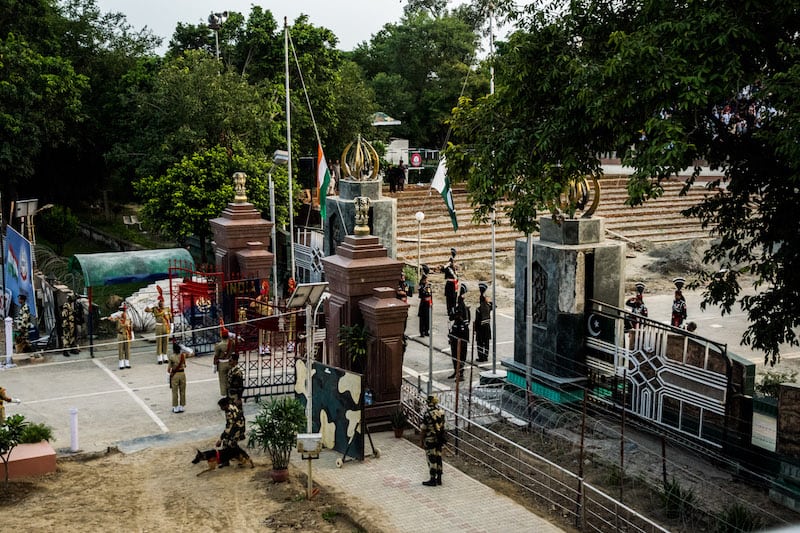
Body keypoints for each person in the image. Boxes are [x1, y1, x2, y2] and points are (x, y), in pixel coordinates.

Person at [420, 395, 446, 486]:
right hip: (439, 439)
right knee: (438, 457)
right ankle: (439, 478)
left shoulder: (427, 414)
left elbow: (423, 429)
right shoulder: (441, 412)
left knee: (432, 459)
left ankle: (432, 479)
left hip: (430, 439)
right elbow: (442, 427)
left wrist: (421, 440)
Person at [215, 396, 247, 466]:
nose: (221, 409)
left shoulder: (229, 412)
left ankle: (244, 457)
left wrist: (220, 439)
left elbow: (229, 427)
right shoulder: (232, 406)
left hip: (236, 429)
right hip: (240, 427)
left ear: (225, 405)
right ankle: (227, 460)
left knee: (232, 445)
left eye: (221, 407)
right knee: (228, 443)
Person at [448, 283, 470, 381]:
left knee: (461, 354)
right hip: (456, 333)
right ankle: (456, 371)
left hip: (462, 333)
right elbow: (451, 317)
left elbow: (465, 322)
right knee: (455, 354)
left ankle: (460, 373)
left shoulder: (464, 308)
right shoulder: (458, 307)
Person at [145, 286, 172, 364]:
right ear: (158, 303)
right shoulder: (155, 309)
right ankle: (159, 357)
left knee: (165, 341)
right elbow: (146, 310)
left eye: (162, 302)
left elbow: (170, 317)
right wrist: (152, 304)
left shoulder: (167, 309)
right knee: (159, 342)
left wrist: (172, 325)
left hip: (166, 326)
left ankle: (165, 356)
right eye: (160, 302)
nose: (162, 303)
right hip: (159, 326)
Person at [106, 304, 132, 369]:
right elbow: (113, 320)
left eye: (124, 312)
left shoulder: (128, 319)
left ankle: (127, 362)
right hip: (120, 335)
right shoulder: (118, 320)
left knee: (127, 349)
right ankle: (121, 363)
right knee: (121, 349)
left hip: (127, 334)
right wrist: (111, 318)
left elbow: (131, 327)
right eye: (122, 312)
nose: (124, 314)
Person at [213, 322, 235, 397]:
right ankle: (230, 393)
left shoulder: (218, 345)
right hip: (229, 362)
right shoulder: (232, 343)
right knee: (230, 379)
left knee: (222, 380)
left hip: (221, 364)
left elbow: (216, 356)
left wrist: (214, 366)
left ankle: (224, 394)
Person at [475, 282, 493, 362]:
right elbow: (493, 305)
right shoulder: (488, 307)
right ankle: (485, 356)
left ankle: (481, 357)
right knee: (486, 343)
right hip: (487, 326)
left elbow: (477, 321)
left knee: (480, 343)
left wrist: (475, 329)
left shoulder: (478, 310)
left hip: (481, 328)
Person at [167, 342, 187, 413]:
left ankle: (175, 407)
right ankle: (182, 406)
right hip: (182, 374)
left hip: (175, 375)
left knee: (174, 391)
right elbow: (185, 365)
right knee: (182, 391)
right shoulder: (182, 356)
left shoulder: (171, 357)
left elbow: (169, 369)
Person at [443, 248, 459, 319]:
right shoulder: (448, 268)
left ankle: (453, 309)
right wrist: (447, 265)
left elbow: (456, 276)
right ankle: (449, 310)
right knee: (449, 298)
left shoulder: (454, 268)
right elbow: (443, 269)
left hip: (454, 284)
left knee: (454, 297)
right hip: (450, 284)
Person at [418, 271, 432, 337]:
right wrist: (425, 288)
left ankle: (426, 330)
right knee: (422, 318)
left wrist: (431, 303)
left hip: (428, 303)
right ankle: (422, 331)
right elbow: (422, 294)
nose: (427, 281)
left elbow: (430, 294)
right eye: (425, 279)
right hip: (423, 303)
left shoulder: (428, 286)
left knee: (427, 318)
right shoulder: (421, 286)